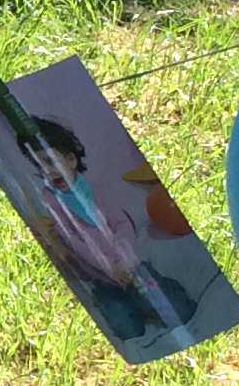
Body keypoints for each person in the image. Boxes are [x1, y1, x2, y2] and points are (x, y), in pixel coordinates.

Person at [14, 114, 196, 344]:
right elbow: (73, 240)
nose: (48, 171)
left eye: (50, 162)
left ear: (70, 159)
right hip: (101, 277)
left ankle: (157, 295)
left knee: (179, 312)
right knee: (128, 329)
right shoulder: (51, 199)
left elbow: (122, 225)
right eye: (40, 166)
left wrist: (123, 262)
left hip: (129, 266)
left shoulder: (94, 189)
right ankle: (130, 305)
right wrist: (106, 268)